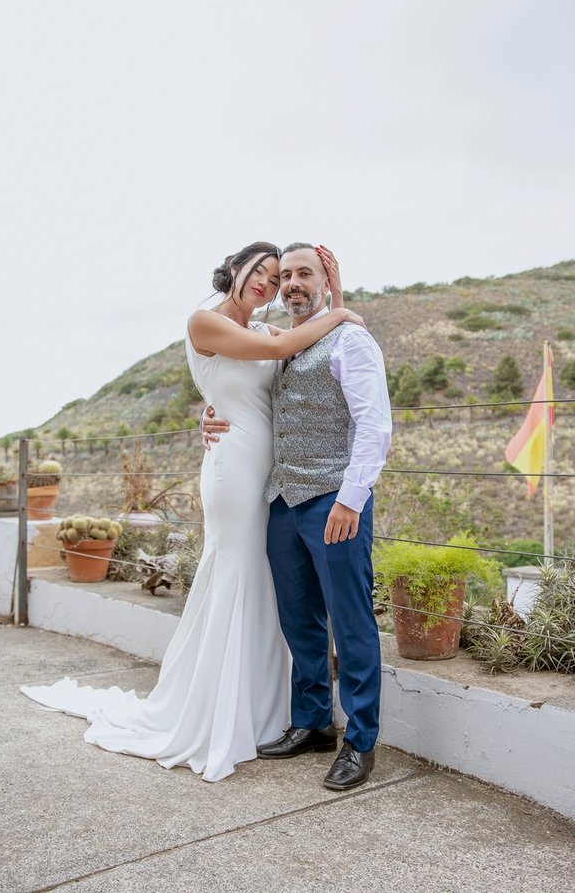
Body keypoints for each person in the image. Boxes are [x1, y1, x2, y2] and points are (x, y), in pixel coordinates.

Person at [21, 241, 365, 783]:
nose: (270, 285)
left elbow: (295, 356)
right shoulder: (205, 321)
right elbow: (274, 357)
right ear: (235, 268)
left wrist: (333, 303)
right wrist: (343, 309)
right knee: (234, 569)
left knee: (269, 583)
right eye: (263, 272)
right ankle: (217, 707)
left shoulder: (269, 332)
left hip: (276, 475)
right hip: (233, 469)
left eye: (278, 280)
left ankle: (272, 711)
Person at [202, 242, 392, 790]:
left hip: (335, 500)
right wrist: (208, 415)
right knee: (299, 620)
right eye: (284, 276)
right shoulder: (274, 343)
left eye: (303, 273)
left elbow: (373, 426)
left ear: (324, 280)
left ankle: (360, 741)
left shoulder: (351, 339)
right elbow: (237, 394)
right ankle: (310, 722)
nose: (291, 284)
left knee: (351, 621)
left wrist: (351, 500)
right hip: (281, 501)